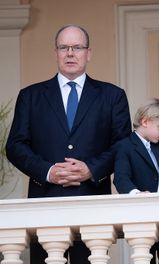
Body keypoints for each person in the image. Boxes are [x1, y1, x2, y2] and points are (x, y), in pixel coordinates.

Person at [6, 25, 132, 263]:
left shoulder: (112, 96)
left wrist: (91, 169)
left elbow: (123, 144)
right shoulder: (31, 96)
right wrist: (49, 171)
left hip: (92, 204)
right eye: (64, 47)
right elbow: (15, 145)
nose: (70, 53)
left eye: (77, 47)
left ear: (88, 53)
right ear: (56, 53)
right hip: (45, 204)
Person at [112, 98, 159, 264]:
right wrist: (136, 194)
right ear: (145, 121)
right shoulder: (125, 146)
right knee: (145, 257)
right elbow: (121, 178)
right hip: (141, 212)